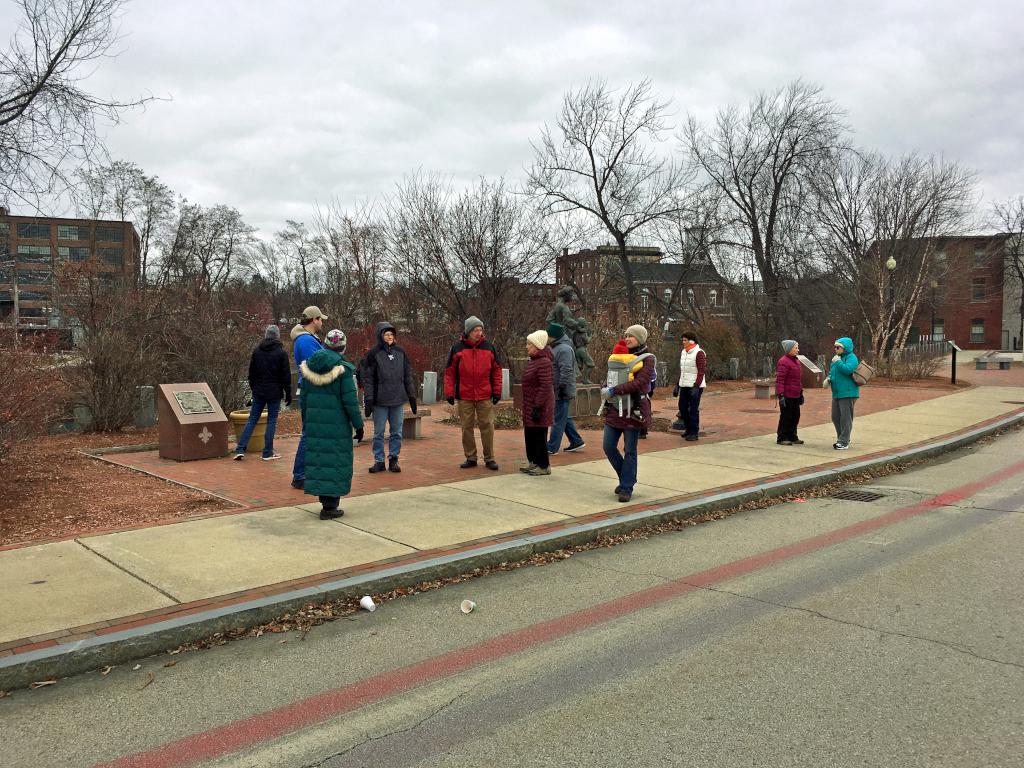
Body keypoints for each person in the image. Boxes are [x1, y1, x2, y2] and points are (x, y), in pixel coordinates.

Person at [299, 329, 364, 519]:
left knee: (319, 459)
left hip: (315, 422)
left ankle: (324, 501)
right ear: (342, 347)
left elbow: (303, 398)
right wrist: (358, 425)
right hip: (337, 425)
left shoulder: (308, 367)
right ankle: (331, 506)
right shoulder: (343, 370)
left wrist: (306, 419)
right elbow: (350, 402)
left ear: (325, 344)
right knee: (335, 460)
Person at [600, 325, 655, 503]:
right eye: (626, 335)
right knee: (608, 446)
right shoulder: (618, 356)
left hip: (634, 409)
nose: (627, 338)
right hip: (615, 408)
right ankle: (627, 477)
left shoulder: (648, 359)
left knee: (630, 450)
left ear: (640, 338)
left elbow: (640, 382)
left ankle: (626, 487)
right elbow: (610, 376)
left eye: (631, 336)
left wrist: (614, 390)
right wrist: (606, 389)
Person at [444, 316, 503, 470]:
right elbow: (450, 372)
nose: (479, 333)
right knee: (466, 428)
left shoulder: (489, 347)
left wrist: (497, 391)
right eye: (475, 330)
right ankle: (471, 457)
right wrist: (449, 392)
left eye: (480, 329)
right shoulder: (457, 348)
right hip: (465, 395)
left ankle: (490, 458)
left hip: (485, 394)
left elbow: (497, 371)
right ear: (468, 331)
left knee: (487, 426)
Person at [361, 321, 417, 474]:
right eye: (386, 334)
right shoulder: (373, 354)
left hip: (397, 399)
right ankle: (379, 460)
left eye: (392, 334)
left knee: (396, 432)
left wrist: (411, 396)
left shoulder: (401, 352)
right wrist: (369, 399)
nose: (390, 337)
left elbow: (407, 375)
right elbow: (368, 379)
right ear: (381, 336)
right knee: (378, 432)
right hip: (380, 401)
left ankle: (394, 459)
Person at [234, 325, 292, 460]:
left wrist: (254, 389)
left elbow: (251, 374)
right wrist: (288, 392)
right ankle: (267, 452)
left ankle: (240, 449)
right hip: (274, 392)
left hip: (259, 391)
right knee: (271, 421)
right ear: (277, 336)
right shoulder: (281, 353)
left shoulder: (257, 351)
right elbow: (286, 375)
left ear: (266, 335)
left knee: (252, 419)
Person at [289, 306, 328, 490]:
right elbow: (317, 365)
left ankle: (305, 472)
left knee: (311, 433)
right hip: (311, 390)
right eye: (321, 319)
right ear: (314, 320)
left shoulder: (308, 339)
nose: (322, 322)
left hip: (311, 389)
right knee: (309, 433)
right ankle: (300, 475)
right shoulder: (306, 341)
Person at [545, 322, 585, 455]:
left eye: (548, 335)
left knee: (557, 419)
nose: (546, 337)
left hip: (562, 390)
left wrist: (562, 387)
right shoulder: (556, 347)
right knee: (563, 416)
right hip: (557, 389)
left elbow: (566, 370)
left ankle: (552, 447)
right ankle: (576, 441)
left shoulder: (564, 349)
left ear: (554, 336)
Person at [520, 330, 555, 476]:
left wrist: (537, 406)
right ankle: (533, 462)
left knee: (539, 435)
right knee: (530, 434)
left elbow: (545, 385)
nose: (526, 347)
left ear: (537, 346)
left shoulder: (544, 362)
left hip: (539, 406)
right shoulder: (534, 361)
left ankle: (544, 465)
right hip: (530, 403)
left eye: (529, 344)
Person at [827, 336, 860, 450]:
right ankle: (842, 438)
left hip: (848, 392)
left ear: (845, 348)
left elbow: (848, 370)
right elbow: (833, 372)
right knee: (835, 417)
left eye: (838, 347)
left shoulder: (851, 358)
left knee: (846, 417)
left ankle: (844, 441)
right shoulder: (837, 358)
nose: (836, 349)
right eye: (835, 347)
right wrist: (829, 378)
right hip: (837, 392)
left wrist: (838, 362)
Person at [673, 330, 707, 442]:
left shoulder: (699, 353)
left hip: (695, 386)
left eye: (685, 340)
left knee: (693, 409)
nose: (683, 342)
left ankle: (694, 432)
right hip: (684, 384)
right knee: (682, 408)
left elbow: (701, 371)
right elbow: (682, 370)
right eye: (682, 340)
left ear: (691, 340)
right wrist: (678, 385)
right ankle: (688, 429)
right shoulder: (684, 352)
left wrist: (696, 386)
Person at [775, 339, 804, 446]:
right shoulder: (783, 361)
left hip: (796, 394)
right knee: (786, 416)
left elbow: (797, 379)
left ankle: (792, 436)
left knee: (795, 415)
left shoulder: (796, 361)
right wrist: (781, 395)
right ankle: (782, 437)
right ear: (789, 349)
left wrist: (801, 392)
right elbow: (780, 380)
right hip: (787, 394)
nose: (798, 349)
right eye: (796, 347)